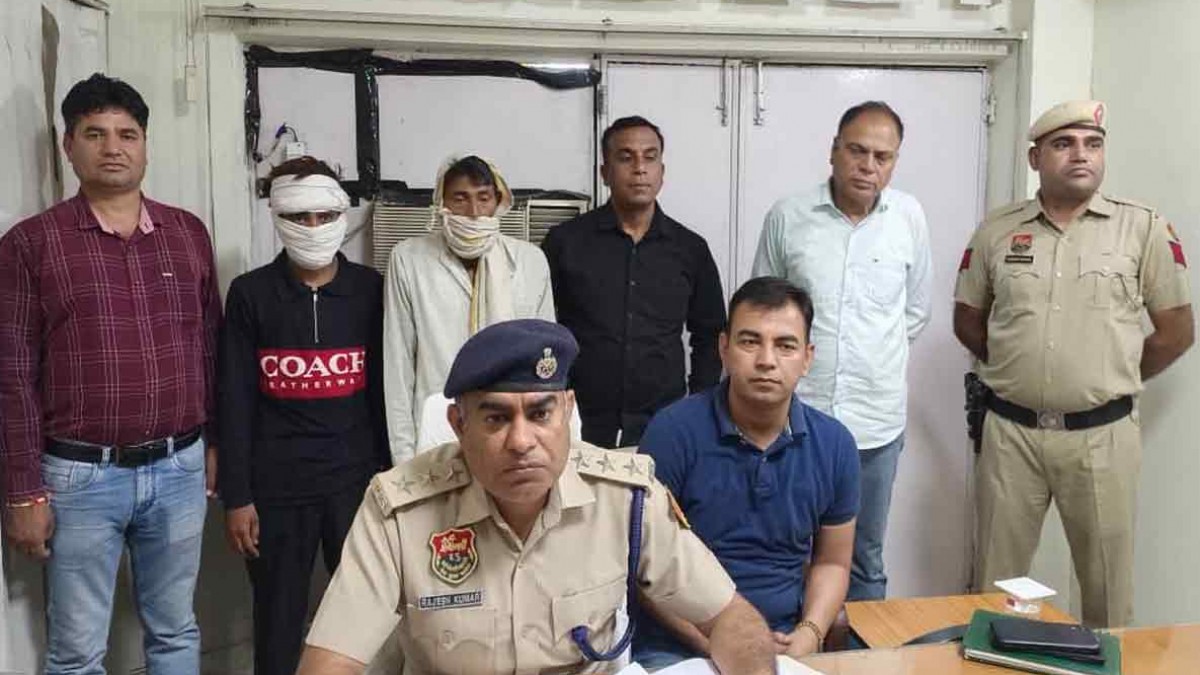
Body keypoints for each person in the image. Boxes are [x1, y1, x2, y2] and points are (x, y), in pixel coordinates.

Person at [295, 319, 779, 675]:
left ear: (567, 411)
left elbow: (731, 619)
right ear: (459, 425)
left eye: (541, 414)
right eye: (496, 419)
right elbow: (331, 660)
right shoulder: (399, 511)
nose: (522, 441)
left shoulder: (626, 497)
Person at [0, 73, 221, 674]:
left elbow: (209, 348)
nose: (113, 148)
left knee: (176, 632)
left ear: (145, 144)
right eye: (94, 134)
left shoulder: (186, 234)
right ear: (68, 146)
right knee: (76, 653)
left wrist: (215, 444)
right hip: (79, 477)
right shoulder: (31, 245)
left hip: (179, 468)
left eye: (127, 134)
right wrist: (22, 490)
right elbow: (12, 376)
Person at [953, 100, 1194, 628]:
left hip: (1103, 437)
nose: (1081, 155)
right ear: (1035, 158)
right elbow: (967, 318)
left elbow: (1177, 331)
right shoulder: (997, 230)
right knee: (995, 586)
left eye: (1093, 144)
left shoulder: (1143, 228)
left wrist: (1110, 374)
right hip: (1010, 435)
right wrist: (1017, 366)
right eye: (1063, 145)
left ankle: (1109, 663)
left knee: (1108, 588)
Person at [752, 100, 931, 602]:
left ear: (894, 162)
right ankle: (790, 643)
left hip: (875, 425)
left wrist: (870, 357)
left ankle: (857, 648)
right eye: (857, 151)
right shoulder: (789, 216)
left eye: (882, 156)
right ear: (833, 150)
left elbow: (914, 313)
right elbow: (764, 314)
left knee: (864, 559)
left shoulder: (909, 218)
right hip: (796, 421)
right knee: (785, 551)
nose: (868, 166)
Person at [217, 156, 389, 675]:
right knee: (278, 620)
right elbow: (234, 397)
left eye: (324, 216)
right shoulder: (250, 294)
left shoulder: (371, 289)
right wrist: (237, 496)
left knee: (366, 616)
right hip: (276, 489)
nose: (313, 228)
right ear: (277, 217)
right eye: (299, 217)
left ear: (341, 215)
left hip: (355, 484)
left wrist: (390, 480)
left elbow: (386, 391)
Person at [634, 277, 860, 668]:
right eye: (750, 341)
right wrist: (721, 646)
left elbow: (833, 562)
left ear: (807, 357)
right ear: (724, 348)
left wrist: (809, 634)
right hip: (681, 645)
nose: (766, 360)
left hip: (785, 640)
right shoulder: (672, 432)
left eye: (785, 345)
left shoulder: (835, 445)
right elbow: (643, 569)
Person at [542, 115, 726, 449]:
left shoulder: (690, 249)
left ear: (662, 171)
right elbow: (543, 328)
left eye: (650, 157)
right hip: (576, 422)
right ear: (605, 172)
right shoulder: (564, 243)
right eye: (626, 158)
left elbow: (710, 335)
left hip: (664, 424)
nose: (640, 168)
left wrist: (699, 406)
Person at [384, 155, 553, 463]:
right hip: (437, 428)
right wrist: (404, 458)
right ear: (442, 202)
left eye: (483, 198)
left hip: (514, 429)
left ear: (498, 202)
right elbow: (398, 364)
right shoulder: (409, 259)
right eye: (460, 198)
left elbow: (543, 363)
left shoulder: (530, 261)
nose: (473, 212)